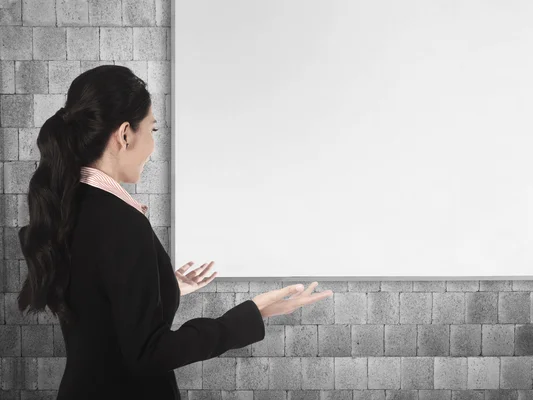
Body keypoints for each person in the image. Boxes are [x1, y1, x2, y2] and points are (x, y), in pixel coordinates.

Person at [16, 65, 333, 399]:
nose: (152, 147)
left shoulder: (67, 208)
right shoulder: (121, 221)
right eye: (151, 130)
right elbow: (149, 354)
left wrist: (164, 287)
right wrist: (254, 312)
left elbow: (98, 309)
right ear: (125, 134)